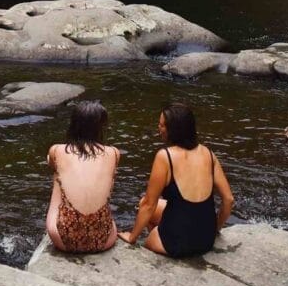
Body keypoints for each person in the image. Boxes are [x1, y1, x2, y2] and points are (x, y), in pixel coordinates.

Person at [118, 102, 234, 257]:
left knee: (145, 227)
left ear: (173, 130)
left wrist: (131, 237)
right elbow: (228, 199)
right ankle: (172, 233)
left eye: (162, 126)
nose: (158, 128)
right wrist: (215, 230)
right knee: (146, 205)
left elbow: (149, 205)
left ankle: (166, 240)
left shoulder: (165, 157)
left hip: (176, 244)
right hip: (206, 240)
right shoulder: (208, 153)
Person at [46, 100, 120, 253]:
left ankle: (67, 218)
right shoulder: (113, 153)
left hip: (63, 238)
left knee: (58, 175)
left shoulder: (57, 150)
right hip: (104, 239)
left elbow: (52, 164)